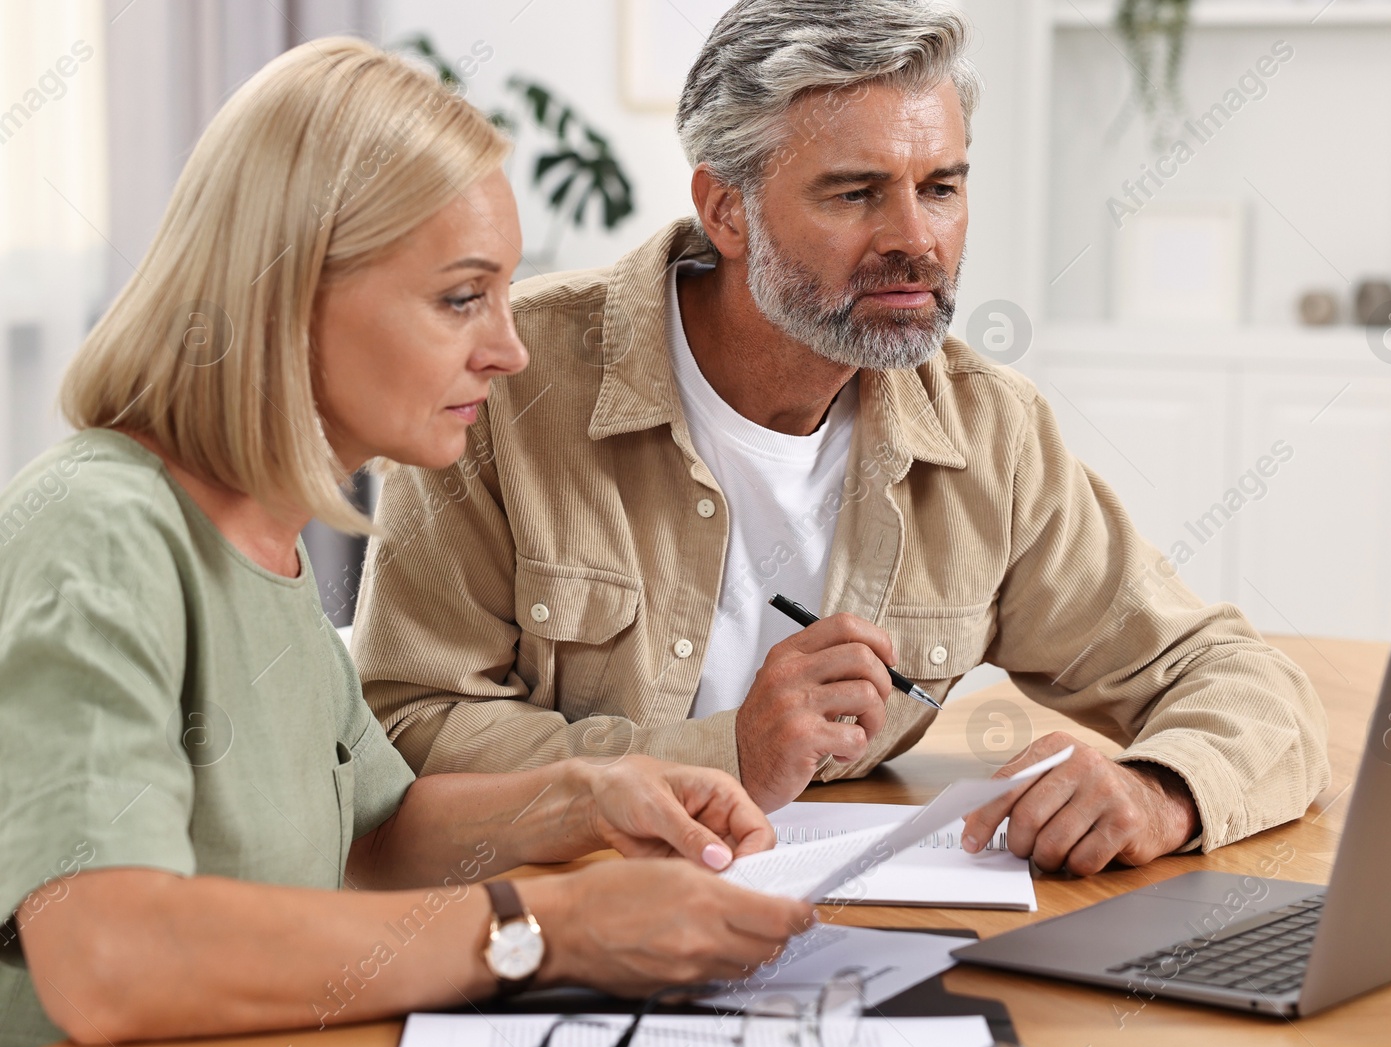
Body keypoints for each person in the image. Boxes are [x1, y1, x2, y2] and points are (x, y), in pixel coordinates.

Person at [355, 0, 1330, 877]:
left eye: (940, 186)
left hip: (851, 930)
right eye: (856, 193)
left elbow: (1240, 681)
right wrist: (720, 751)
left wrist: (1163, 788)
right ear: (724, 208)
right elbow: (403, 732)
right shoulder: (500, 379)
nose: (915, 237)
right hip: (548, 919)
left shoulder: (987, 429)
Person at [0, 38, 809, 1047]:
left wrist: (590, 794)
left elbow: (373, 838)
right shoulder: (100, 533)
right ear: (287, 291)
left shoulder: (268, 541)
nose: (509, 350)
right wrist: (548, 930)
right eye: (461, 297)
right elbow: (105, 954)